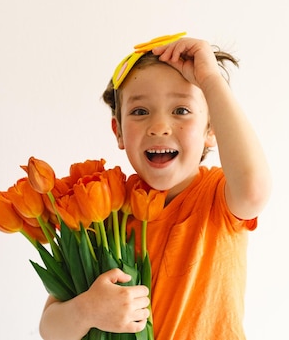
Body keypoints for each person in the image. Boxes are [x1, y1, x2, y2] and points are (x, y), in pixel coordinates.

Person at [39, 33, 271, 340]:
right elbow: (49, 328)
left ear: (211, 129)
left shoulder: (218, 198)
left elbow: (254, 188)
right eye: (139, 111)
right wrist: (87, 310)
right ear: (118, 131)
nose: (159, 126)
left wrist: (210, 79)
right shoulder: (104, 211)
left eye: (181, 110)